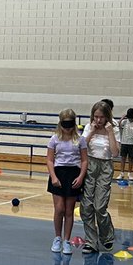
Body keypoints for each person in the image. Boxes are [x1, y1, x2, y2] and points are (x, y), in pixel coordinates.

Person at [46, 109, 87, 255]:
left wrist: (81, 177)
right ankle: (57, 238)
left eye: (70, 125)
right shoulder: (54, 139)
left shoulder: (80, 139)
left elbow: (84, 160)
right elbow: (50, 160)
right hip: (58, 174)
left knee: (69, 210)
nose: (67, 128)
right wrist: (54, 177)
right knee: (59, 209)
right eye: (65, 125)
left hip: (73, 174)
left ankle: (66, 240)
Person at [80, 100, 117, 253]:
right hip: (90, 164)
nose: (98, 120)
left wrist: (109, 132)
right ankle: (91, 241)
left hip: (106, 166)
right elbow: (81, 146)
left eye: (101, 117)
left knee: (100, 206)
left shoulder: (113, 128)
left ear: (107, 117)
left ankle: (107, 236)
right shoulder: (89, 127)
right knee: (87, 205)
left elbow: (115, 152)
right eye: (96, 117)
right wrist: (92, 132)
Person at [117, 108, 133, 181]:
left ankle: (130, 173)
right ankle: (121, 173)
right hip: (124, 142)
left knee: (131, 158)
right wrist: (122, 118)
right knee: (123, 158)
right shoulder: (124, 122)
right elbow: (118, 125)